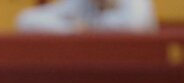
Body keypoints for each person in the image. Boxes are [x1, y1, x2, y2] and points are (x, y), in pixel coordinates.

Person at [16, 0, 157, 33]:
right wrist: (71, 28)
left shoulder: (136, 3)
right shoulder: (81, 3)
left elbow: (133, 23)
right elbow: (26, 19)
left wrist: (90, 28)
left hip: (131, 81)